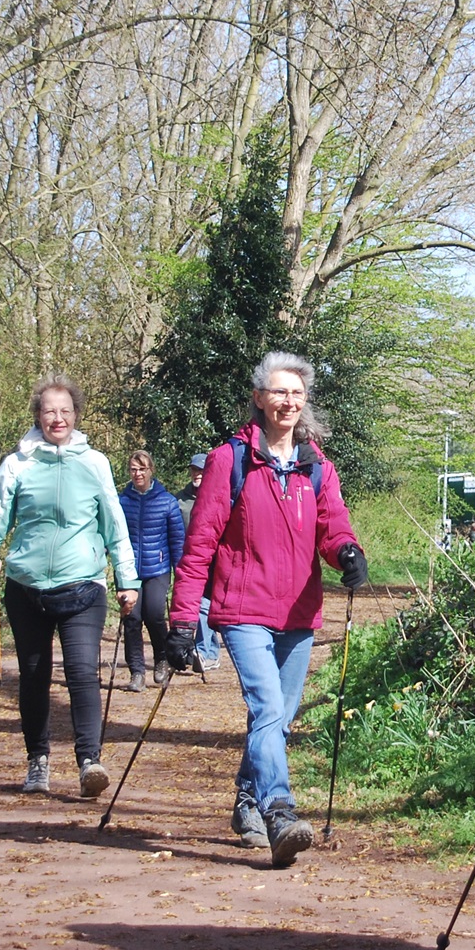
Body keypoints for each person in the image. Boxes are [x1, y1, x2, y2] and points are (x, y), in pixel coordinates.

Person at [168, 352, 369, 868]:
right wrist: (184, 617)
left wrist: (347, 551)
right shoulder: (228, 461)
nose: (289, 401)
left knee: (277, 721)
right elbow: (200, 547)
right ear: (259, 398)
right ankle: (279, 808)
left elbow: (333, 527)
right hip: (242, 608)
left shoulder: (317, 466)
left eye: (296, 393)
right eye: (279, 392)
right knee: (267, 708)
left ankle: (246, 801)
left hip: (299, 612)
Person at [0, 378, 138, 798]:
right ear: (37, 417)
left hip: (83, 587)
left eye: (65, 411)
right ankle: (37, 760)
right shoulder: (17, 465)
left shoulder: (95, 463)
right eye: (48, 411)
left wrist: (127, 579)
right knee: (35, 676)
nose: (57, 418)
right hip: (27, 589)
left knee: (81, 672)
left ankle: (89, 761)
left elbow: (115, 525)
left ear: (76, 415)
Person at [117, 450, 184, 691]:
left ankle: (161, 660)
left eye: (142, 469)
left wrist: (182, 575)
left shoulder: (166, 501)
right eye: (134, 469)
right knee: (132, 619)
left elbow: (177, 540)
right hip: (129, 571)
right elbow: (112, 537)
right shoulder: (121, 502)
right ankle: (136, 672)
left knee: (155, 614)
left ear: (151, 470)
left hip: (158, 568)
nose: (137, 474)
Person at [173, 452, 219, 670]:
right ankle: (204, 652)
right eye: (194, 469)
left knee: (207, 606)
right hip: (188, 561)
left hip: (214, 561)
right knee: (202, 606)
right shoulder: (179, 500)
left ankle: (208, 652)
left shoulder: (217, 496)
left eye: (201, 470)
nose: (197, 474)